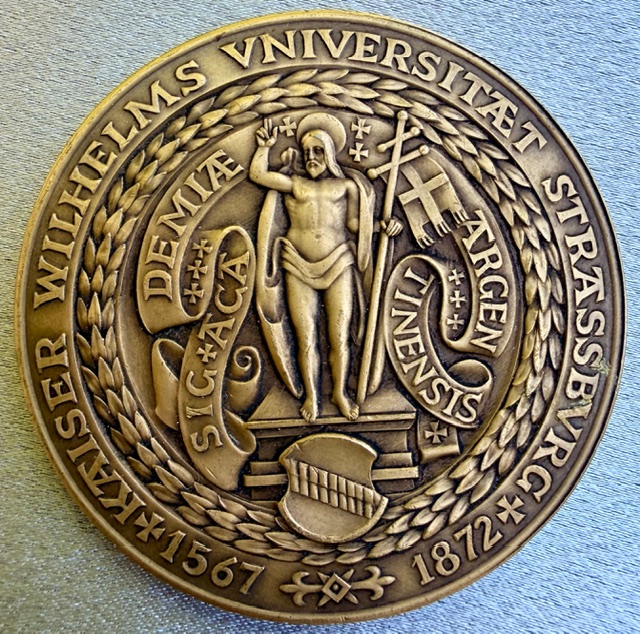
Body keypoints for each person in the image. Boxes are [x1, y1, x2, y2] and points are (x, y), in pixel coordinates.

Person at [249, 114, 401, 423]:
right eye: (307, 152)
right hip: (297, 264)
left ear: (330, 153)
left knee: (339, 334)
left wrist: (381, 228)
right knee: (306, 336)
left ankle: (339, 393)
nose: (311, 158)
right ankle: (312, 396)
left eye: (318, 151)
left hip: (339, 262)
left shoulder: (346, 187)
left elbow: (355, 225)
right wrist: (264, 148)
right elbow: (258, 175)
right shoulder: (296, 184)